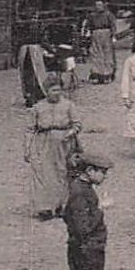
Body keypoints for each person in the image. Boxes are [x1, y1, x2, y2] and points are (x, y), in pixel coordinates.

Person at [25, 83, 81, 220]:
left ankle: (61, 205)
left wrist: (70, 133)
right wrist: (27, 148)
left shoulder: (68, 105)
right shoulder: (38, 107)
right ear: (46, 91)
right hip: (43, 142)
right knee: (43, 173)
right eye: (53, 90)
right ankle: (45, 208)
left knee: (62, 173)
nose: (56, 93)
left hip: (64, 143)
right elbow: (30, 130)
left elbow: (77, 124)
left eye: (59, 90)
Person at [87, 1, 117, 84]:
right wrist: (89, 34)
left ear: (103, 5)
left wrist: (113, 35)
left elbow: (113, 25)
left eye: (100, 5)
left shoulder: (108, 15)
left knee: (107, 53)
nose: (98, 7)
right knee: (96, 54)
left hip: (106, 33)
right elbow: (89, 26)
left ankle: (107, 74)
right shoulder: (92, 16)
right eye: (96, 5)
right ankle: (97, 73)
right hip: (95, 33)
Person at [18, 41, 53, 108]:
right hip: (33, 52)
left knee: (29, 77)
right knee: (34, 76)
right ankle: (32, 97)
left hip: (25, 51)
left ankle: (31, 96)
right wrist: (50, 50)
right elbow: (41, 39)